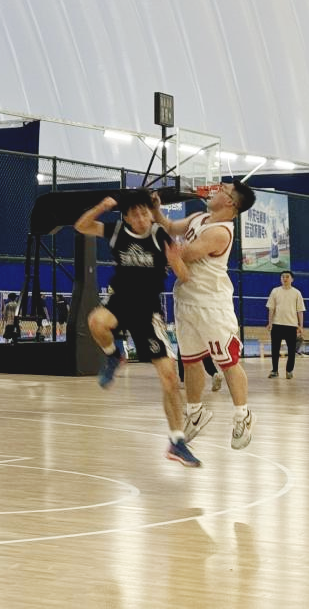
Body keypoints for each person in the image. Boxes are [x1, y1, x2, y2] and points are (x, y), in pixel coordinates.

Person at [75, 192, 197, 466]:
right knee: (96, 321)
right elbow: (81, 226)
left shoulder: (160, 236)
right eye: (135, 214)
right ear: (127, 218)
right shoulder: (117, 231)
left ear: (151, 214)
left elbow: (184, 276)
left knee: (169, 378)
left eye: (145, 213)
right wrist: (101, 206)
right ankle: (113, 355)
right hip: (120, 303)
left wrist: (175, 260)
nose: (141, 219)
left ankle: (177, 442)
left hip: (148, 313)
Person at [155, 180, 257, 452]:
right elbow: (170, 226)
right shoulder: (199, 217)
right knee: (190, 361)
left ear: (231, 202)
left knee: (227, 361)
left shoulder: (221, 232)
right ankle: (195, 412)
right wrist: (154, 211)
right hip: (186, 299)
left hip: (212, 305)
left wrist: (144, 243)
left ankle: (243, 415)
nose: (217, 190)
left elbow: (183, 254)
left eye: (224, 190)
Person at [266, 271, 305, 379]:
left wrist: (301, 326)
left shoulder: (297, 293)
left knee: (291, 350)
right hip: (277, 325)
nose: (285, 278)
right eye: (283, 277)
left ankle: (289, 370)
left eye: (287, 277)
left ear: (292, 279)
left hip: (291, 326)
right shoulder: (275, 291)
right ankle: (274, 371)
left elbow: (300, 310)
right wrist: (270, 323)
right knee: (275, 349)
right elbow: (271, 308)